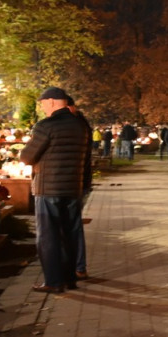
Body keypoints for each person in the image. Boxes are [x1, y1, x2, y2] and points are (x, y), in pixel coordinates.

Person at [20, 87, 89, 293]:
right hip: (72, 188)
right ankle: (69, 279)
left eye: (42, 104)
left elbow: (26, 157)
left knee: (48, 237)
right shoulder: (81, 126)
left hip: (48, 189)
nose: (42, 108)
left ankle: (53, 281)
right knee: (68, 235)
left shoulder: (46, 126)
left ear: (51, 102)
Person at [66, 95, 94, 280]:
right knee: (72, 224)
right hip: (78, 181)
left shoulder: (74, 125)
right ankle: (77, 266)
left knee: (72, 225)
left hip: (73, 182)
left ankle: (77, 266)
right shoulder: (81, 124)